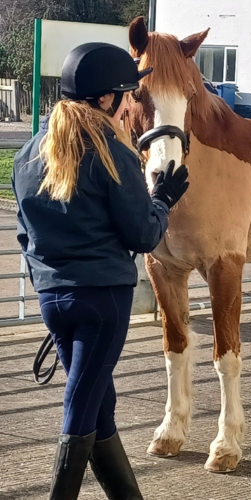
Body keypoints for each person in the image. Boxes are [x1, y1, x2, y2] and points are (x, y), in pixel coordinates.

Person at [12, 42, 189, 500]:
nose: (132, 104)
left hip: (55, 301)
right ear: (106, 99)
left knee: (100, 409)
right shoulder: (112, 152)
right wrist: (163, 202)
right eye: (128, 95)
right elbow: (143, 235)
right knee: (81, 410)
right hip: (103, 301)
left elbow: (23, 234)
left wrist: (48, 281)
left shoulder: (29, 152)